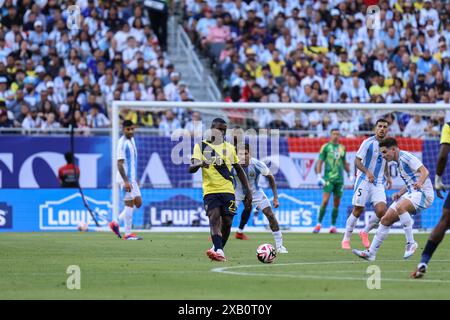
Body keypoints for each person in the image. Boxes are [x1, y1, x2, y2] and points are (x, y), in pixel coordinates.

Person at [353, 137, 434, 261]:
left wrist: (420, 182)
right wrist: (400, 193)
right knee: (385, 219)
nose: (383, 156)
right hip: (412, 192)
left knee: (400, 206)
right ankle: (371, 253)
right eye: (381, 153)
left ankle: (411, 243)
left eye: (385, 152)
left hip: (424, 193)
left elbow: (424, 171)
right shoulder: (398, 163)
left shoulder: (406, 157)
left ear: (393, 149)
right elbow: (410, 181)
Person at [189, 118, 252, 262]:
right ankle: (220, 251)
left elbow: (239, 169)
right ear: (212, 129)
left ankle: (217, 248)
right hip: (210, 190)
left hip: (228, 190)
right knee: (214, 218)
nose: (222, 132)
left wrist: (248, 190)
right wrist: (199, 163)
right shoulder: (201, 146)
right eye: (219, 129)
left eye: (224, 130)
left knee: (228, 222)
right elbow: (191, 168)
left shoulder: (230, 148)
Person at [341, 119, 393, 250]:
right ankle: (346, 238)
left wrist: (388, 176)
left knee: (382, 211)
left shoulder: (388, 145)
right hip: (364, 179)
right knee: (358, 210)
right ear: (375, 128)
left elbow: (385, 162)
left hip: (378, 182)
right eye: (380, 126)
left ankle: (364, 231)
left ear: (387, 130)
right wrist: (368, 172)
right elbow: (357, 161)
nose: (382, 129)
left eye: (384, 127)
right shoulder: (368, 143)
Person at [411, 121, 450, 278]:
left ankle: (423, 262)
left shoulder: (448, 126)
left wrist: (438, 179)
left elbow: (442, 156)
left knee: (444, 222)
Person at [233, 143, 288, 253]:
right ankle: (218, 243)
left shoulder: (257, 164)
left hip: (255, 193)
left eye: (246, 153)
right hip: (237, 193)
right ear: (236, 154)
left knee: (270, 215)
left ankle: (279, 246)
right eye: (240, 154)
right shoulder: (231, 165)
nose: (243, 156)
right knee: (226, 216)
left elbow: (271, 177)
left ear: (250, 154)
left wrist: (275, 198)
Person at [109, 120, 143, 240]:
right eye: (128, 129)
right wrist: (126, 181)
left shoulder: (132, 140)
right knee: (133, 203)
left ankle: (119, 226)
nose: (131, 131)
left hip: (132, 178)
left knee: (134, 204)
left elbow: (131, 162)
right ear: (123, 129)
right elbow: (119, 164)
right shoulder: (122, 143)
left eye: (132, 129)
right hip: (126, 179)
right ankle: (124, 229)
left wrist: (133, 179)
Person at [313, 129, 351, 234]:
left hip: (340, 180)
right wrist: (319, 175)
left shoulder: (342, 148)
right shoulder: (325, 147)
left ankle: (333, 226)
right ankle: (318, 224)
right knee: (325, 201)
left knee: (336, 203)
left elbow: (344, 162)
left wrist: (349, 174)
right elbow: (320, 161)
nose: (336, 136)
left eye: (338, 134)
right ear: (330, 135)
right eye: (334, 134)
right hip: (328, 179)